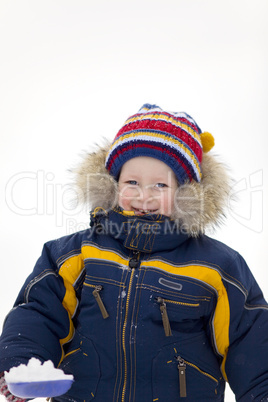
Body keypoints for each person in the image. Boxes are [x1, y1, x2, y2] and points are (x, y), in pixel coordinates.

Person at [0, 104, 268, 402]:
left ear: (185, 192)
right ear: (113, 185)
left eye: (160, 184)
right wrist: (23, 363)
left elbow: (251, 341)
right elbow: (39, 313)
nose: (144, 195)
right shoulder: (75, 255)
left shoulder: (217, 268)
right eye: (132, 182)